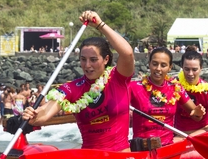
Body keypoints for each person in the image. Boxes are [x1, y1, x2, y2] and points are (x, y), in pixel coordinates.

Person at [22, 10, 134, 151]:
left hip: (121, 158)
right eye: (83, 59)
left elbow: (127, 53)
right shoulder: (73, 88)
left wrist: (100, 25)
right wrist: (34, 116)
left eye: (93, 60)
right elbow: (45, 113)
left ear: (106, 59)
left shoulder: (118, 78)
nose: (87, 65)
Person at [129, 47, 205, 145]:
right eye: (155, 64)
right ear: (149, 64)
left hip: (168, 147)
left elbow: (196, 116)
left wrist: (198, 113)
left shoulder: (176, 88)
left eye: (163, 65)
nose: (158, 68)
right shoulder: (134, 87)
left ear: (170, 67)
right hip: (142, 148)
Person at [173, 47, 208, 135]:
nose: (190, 74)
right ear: (182, 67)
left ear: (201, 68)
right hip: (176, 135)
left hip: (201, 135)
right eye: (186, 69)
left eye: (194, 70)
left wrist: (189, 137)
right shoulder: (174, 86)